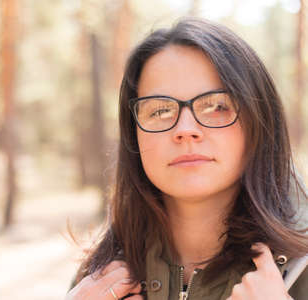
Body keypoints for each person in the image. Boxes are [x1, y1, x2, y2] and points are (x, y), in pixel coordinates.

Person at [66, 18, 308, 300]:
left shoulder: (299, 270)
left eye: (217, 106)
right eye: (159, 111)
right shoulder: (100, 277)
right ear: (134, 136)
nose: (185, 130)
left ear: (259, 122)